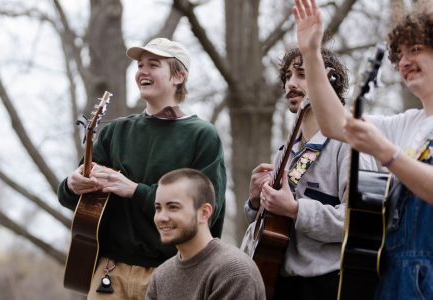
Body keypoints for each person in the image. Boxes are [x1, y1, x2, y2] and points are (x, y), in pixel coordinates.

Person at [57, 38, 227, 300]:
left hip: (174, 273)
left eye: (154, 65)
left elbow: (206, 214)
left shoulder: (202, 136)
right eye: (140, 65)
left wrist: (135, 191)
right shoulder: (114, 132)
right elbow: (76, 201)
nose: (142, 72)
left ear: (178, 77)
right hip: (110, 272)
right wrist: (71, 184)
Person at [292, 0, 433, 299]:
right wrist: (311, 54)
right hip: (392, 278)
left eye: (416, 49)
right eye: (401, 54)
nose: (404, 61)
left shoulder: (394, 137)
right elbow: (333, 124)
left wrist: (387, 154)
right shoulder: (407, 124)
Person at [243, 46, 359, 299]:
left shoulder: (347, 144)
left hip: (329, 284)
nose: (290, 84)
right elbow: (271, 228)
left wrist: (295, 209)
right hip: (279, 281)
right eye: (287, 76)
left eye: (302, 75)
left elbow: (355, 222)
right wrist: (255, 202)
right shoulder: (285, 152)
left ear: (327, 82)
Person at [146, 168, 265, 300]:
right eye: (158, 208)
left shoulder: (234, 271)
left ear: (204, 213)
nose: (161, 217)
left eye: (173, 207)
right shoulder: (161, 276)